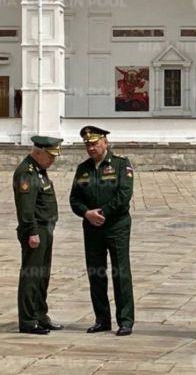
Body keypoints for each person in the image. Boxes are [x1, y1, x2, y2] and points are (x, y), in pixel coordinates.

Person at [69, 126, 135, 336]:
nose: (91, 148)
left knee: (120, 273)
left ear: (105, 142)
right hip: (92, 228)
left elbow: (124, 194)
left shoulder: (121, 164)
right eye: (87, 144)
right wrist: (87, 213)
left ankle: (125, 320)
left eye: (94, 143)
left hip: (116, 226)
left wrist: (103, 212)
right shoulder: (83, 169)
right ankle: (102, 319)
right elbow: (74, 198)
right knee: (96, 274)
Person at [14, 136, 64, 335]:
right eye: (50, 156)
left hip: (45, 228)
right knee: (31, 275)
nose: (52, 160)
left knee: (42, 276)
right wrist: (32, 232)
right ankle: (28, 320)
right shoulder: (26, 172)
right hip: (35, 231)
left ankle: (41, 316)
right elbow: (26, 209)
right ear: (38, 152)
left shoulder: (39, 171)